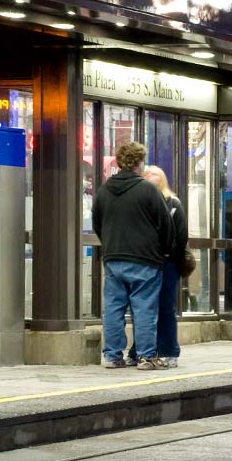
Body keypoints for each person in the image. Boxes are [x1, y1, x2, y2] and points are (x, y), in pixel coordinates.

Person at [92, 142, 173, 370]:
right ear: (139, 163)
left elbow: (98, 223)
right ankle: (146, 357)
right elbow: (165, 225)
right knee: (144, 307)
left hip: (113, 258)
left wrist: (109, 244)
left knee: (113, 308)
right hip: (144, 260)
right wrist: (163, 249)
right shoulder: (147, 190)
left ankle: (112, 356)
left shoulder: (104, 190)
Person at [134, 165, 188, 368]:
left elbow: (181, 235)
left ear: (163, 178)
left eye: (154, 173)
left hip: (167, 262)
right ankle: (141, 351)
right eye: (146, 173)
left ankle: (169, 350)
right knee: (144, 307)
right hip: (146, 260)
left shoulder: (173, 203)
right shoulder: (141, 203)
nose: (149, 176)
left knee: (165, 306)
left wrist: (169, 252)